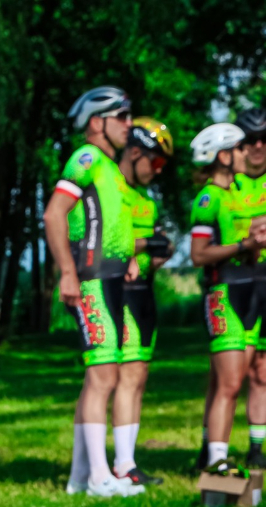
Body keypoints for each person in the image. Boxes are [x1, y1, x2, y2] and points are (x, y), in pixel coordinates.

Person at [44, 86, 145, 498]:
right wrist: (67, 271)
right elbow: (54, 213)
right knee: (103, 375)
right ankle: (99, 477)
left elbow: (112, 225)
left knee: (101, 376)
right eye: (122, 117)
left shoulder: (110, 167)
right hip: (91, 279)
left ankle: (81, 476)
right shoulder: (86, 158)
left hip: (112, 278)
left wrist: (131, 259)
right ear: (97, 122)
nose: (129, 124)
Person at [189, 122, 266, 471]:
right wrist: (242, 245)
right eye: (238, 148)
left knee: (248, 376)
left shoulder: (235, 193)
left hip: (250, 289)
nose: (245, 153)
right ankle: (217, 459)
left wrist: (253, 244)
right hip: (223, 292)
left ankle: (225, 454)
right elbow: (199, 254)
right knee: (229, 381)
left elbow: (243, 248)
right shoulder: (209, 197)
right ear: (223, 155)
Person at [112, 118, 175, 487]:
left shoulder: (145, 200)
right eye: (156, 162)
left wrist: (159, 249)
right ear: (135, 152)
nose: (158, 171)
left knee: (139, 378)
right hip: (120, 293)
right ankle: (122, 465)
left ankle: (128, 461)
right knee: (127, 377)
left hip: (145, 291)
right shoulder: (114, 189)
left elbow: (147, 247)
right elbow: (101, 238)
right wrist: (143, 245)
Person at [235, 107, 266, 469]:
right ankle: (211, 447)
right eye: (250, 140)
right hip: (236, 281)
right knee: (229, 372)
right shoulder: (229, 180)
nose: (258, 146)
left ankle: (257, 447)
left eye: (264, 139)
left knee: (262, 370)